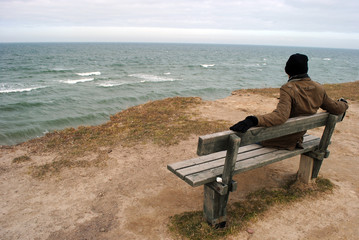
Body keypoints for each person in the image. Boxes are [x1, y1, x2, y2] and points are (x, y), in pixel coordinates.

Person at [230, 53, 349, 150]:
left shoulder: (289, 88)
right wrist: (344, 103)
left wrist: (253, 120)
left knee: (243, 138)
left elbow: (281, 116)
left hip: (281, 139)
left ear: (288, 71)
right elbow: (336, 108)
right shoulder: (318, 88)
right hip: (297, 137)